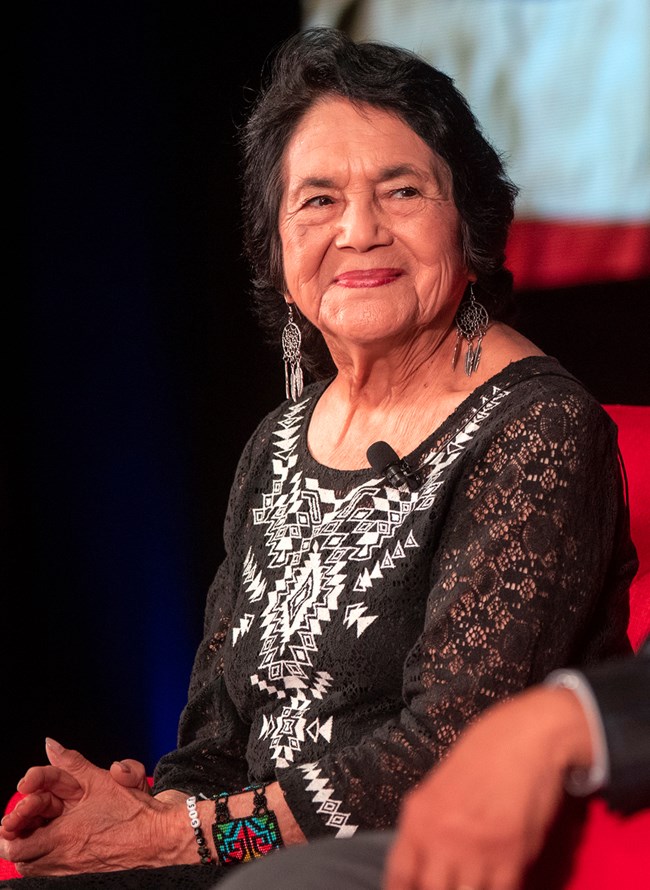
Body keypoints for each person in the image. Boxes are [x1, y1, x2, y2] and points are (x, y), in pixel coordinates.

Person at [0, 26, 637, 888]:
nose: (359, 230)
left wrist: (168, 836)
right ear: (278, 249)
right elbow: (217, 743)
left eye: (402, 190)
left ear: (474, 226)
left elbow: (443, 756)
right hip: (249, 854)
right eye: (318, 200)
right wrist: (141, 809)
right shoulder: (277, 441)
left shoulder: (541, 430)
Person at [214, 636, 650, 890]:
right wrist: (163, 814)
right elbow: (208, 739)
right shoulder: (258, 479)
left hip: (340, 830)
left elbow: (403, 771)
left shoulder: (495, 481)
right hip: (226, 826)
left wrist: (201, 837)